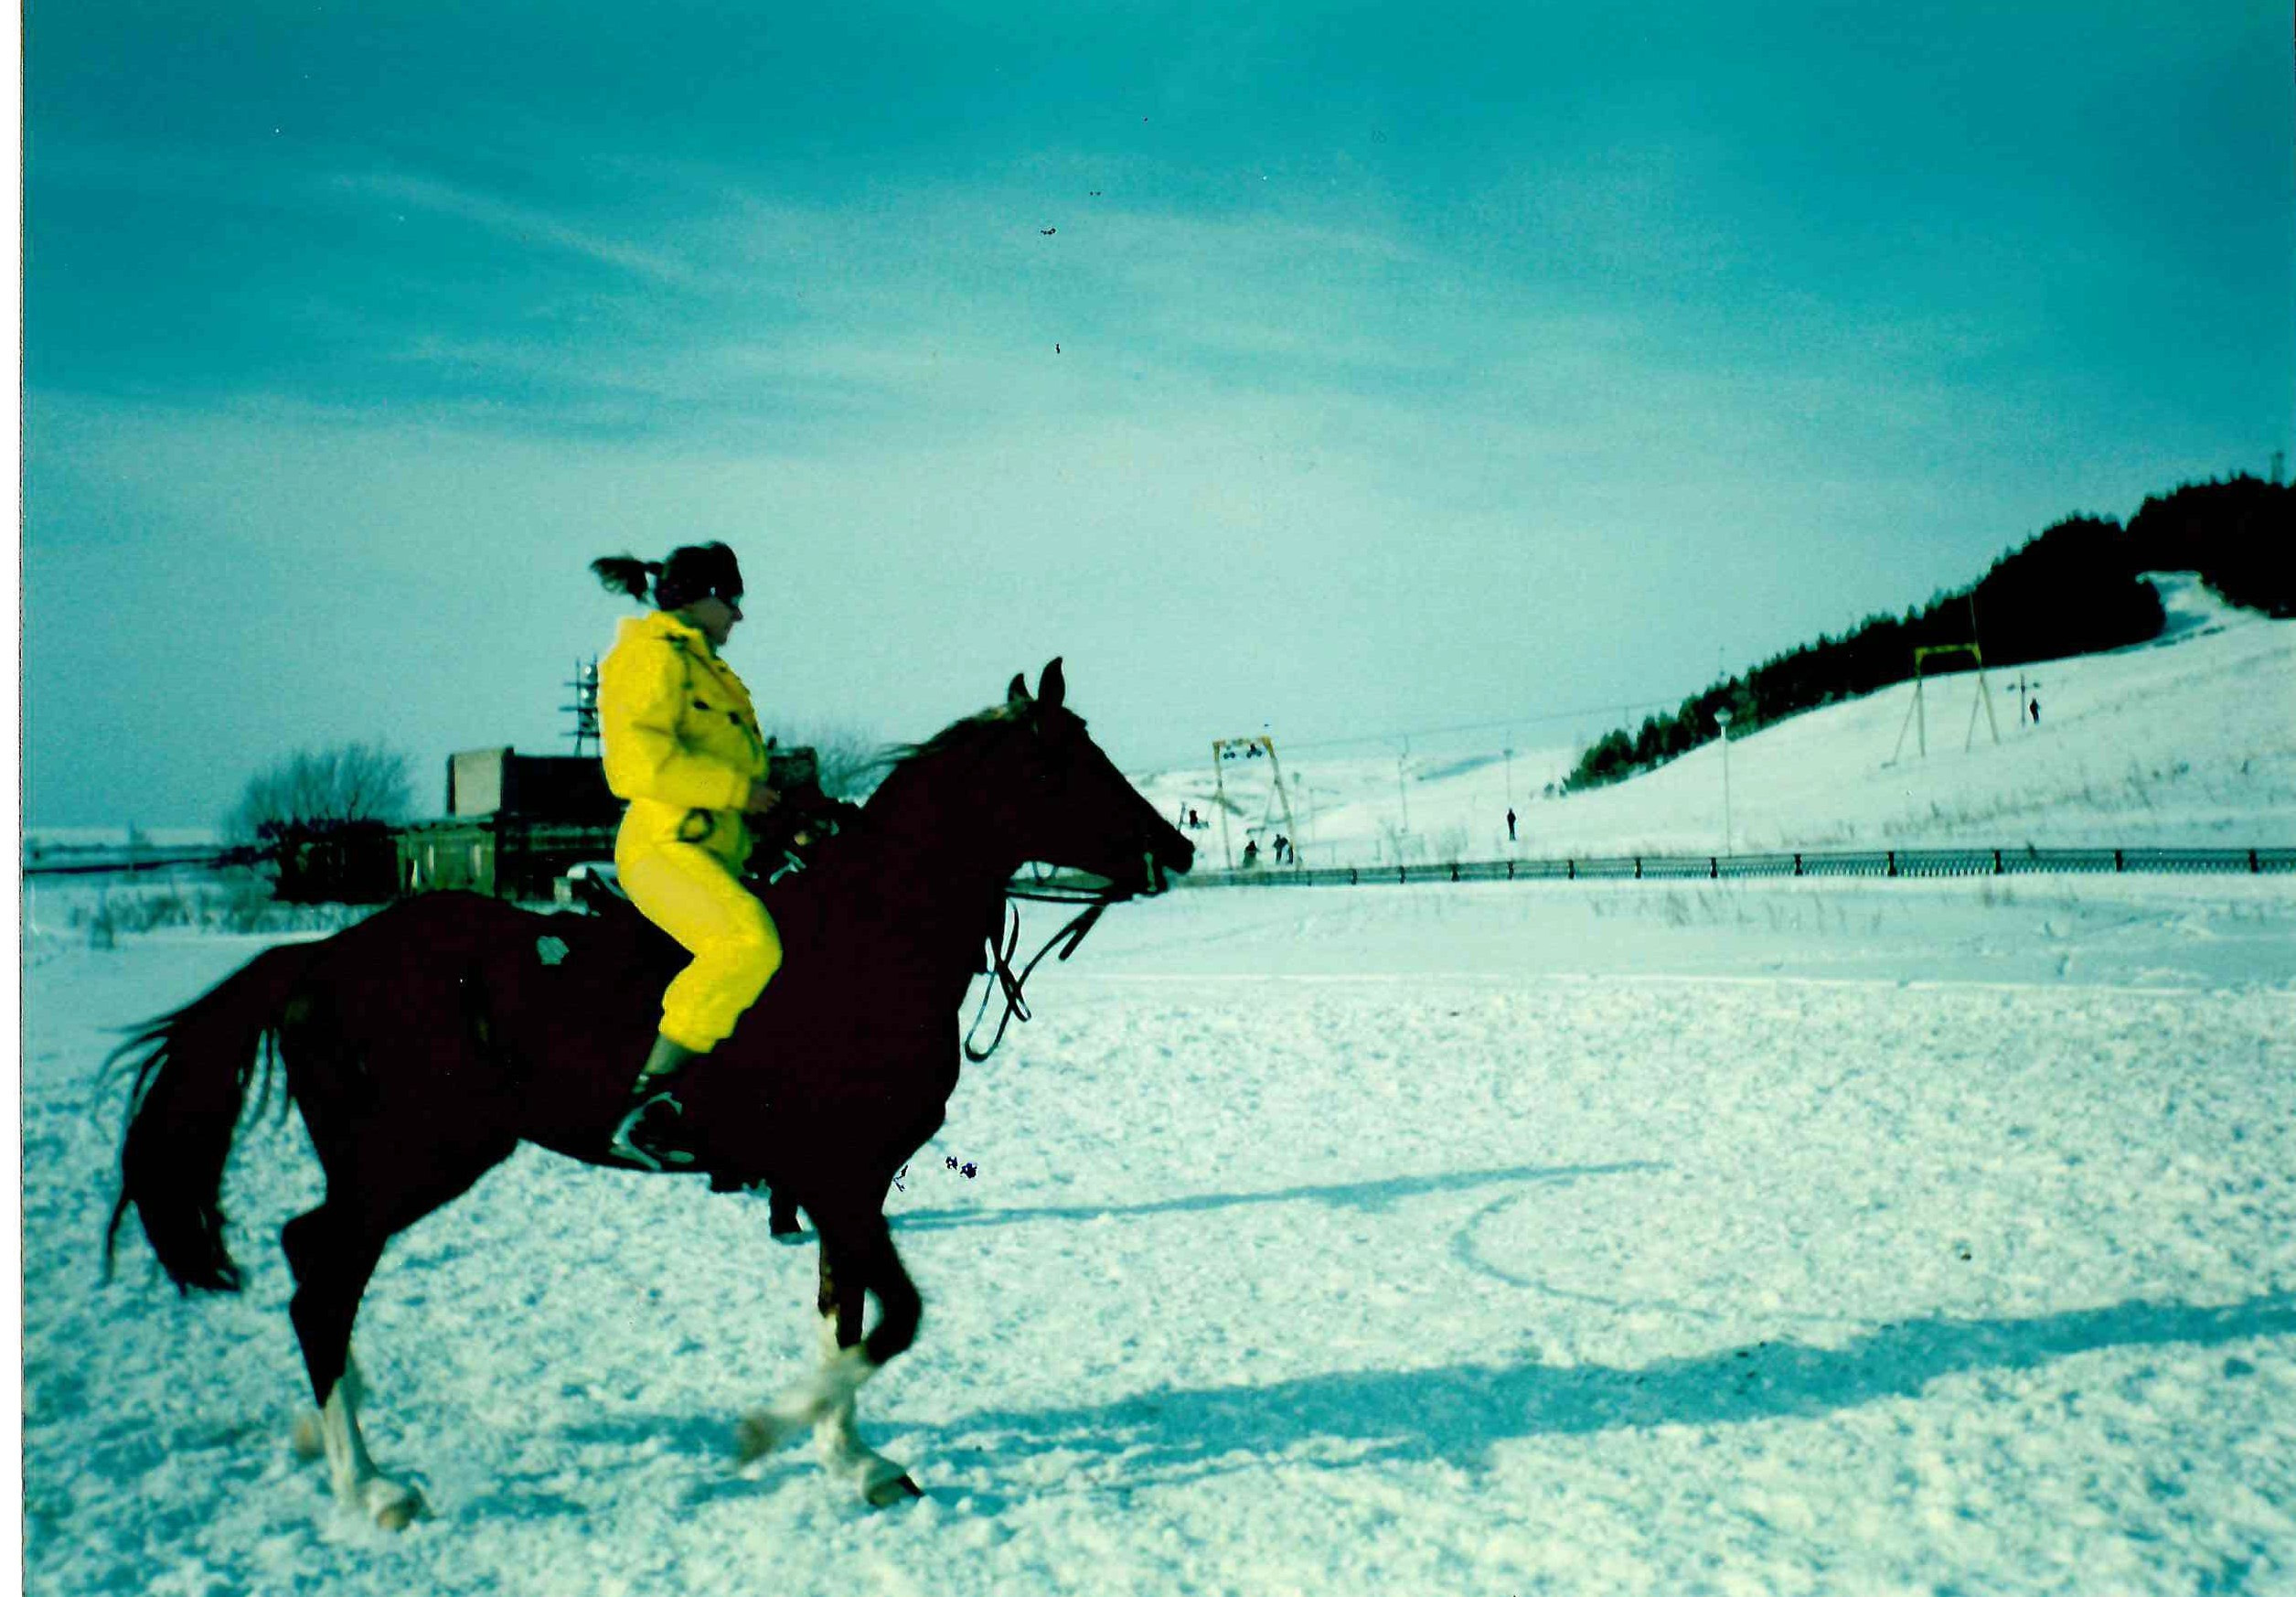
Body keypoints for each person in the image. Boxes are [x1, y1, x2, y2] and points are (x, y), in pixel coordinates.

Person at [590, 542, 784, 1170]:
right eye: (733, 601)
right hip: (665, 848)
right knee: (748, 945)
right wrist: (738, 791)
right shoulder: (651, 656)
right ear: (701, 598)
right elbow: (634, 762)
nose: (739, 616)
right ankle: (643, 1107)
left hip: (723, 851)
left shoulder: (711, 670)